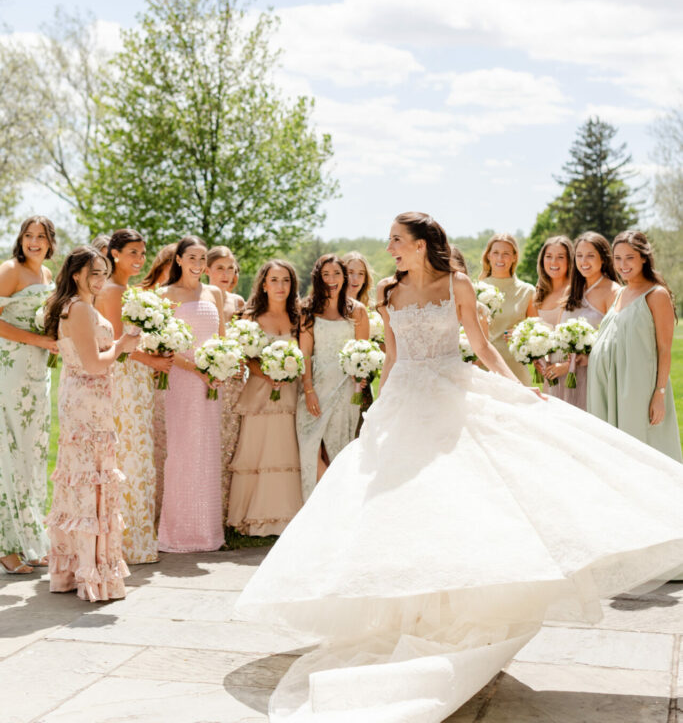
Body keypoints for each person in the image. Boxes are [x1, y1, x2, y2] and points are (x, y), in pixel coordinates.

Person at [235, 212, 683, 723]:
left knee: (456, 500)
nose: (391, 248)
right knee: (398, 508)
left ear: (423, 245)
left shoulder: (460, 284)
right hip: (403, 402)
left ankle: (457, 605)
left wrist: (515, 388)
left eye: (397, 241)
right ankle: (412, 605)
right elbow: (393, 356)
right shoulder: (387, 290)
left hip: (451, 392)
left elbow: (482, 342)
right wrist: (378, 404)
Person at [45, 246, 138, 601]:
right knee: (88, 479)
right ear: (76, 275)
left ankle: (74, 570)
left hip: (88, 398)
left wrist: (115, 346)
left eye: (103, 273)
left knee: (84, 476)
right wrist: (124, 345)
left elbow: (91, 356)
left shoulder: (79, 307)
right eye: (93, 273)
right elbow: (95, 363)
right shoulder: (80, 308)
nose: (100, 279)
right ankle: (90, 573)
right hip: (86, 401)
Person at [96, 229, 173, 564]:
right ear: (113, 253)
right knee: (128, 455)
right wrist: (153, 359)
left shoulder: (128, 289)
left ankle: (138, 538)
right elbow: (116, 345)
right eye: (132, 253)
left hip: (138, 381)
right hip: (123, 382)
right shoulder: (112, 291)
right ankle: (125, 543)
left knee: (140, 455)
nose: (140, 260)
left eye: (143, 253)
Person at [157, 237, 226, 552]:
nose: (198, 264)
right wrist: (199, 370)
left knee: (207, 453)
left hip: (213, 384)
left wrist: (222, 367)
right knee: (182, 453)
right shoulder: (165, 295)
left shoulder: (214, 293)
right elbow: (163, 347)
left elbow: (223, 339)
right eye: (192, 258)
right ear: (180, 260)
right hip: (182, 382)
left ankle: (208, 533)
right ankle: (178, 534)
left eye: (202, 258)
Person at [588, 230, 682, 461]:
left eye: (629, 257)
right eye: (617, 258)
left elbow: (664, 349)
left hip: (638, 385)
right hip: (610, 383)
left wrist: (659, 394)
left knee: (640, 445)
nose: (623, 264)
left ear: (643, 257)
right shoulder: (621, 293)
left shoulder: (656, 294)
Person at [227, 260, 303, 535]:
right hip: (260, 391)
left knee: (287, 451)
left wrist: (288, 372)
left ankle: (288, 515)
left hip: (292, 392)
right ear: (263, 283)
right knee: (259, 452)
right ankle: (255, 518)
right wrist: (268, 372)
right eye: (274, 280)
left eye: (285, 280)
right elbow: (244, 357)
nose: (280, 286)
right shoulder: (250, 318)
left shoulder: (300, 317)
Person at [0, 216, 58, 574]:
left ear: (51, 242)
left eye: (41, 236)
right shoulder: (10, 270)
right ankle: (6, 546)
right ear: (20, 240)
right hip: (11, 367)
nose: (34, 242)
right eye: (28, 236)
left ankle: (30, 540)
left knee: (34, 453)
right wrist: (40, 340)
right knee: (10, 450)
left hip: (39, 371)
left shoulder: (48, 276)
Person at [297, 255, 369, 501]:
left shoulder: (357, 311)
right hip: (315, 384)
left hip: (344, 387)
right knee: (308, 445)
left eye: (336, 274)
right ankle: (328, 499)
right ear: (318, 278)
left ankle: (337, 503)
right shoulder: (308, 310)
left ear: (344, 276)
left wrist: (360, 378)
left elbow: (363, 352)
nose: (331, 280)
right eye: (325, 274)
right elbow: (305, 353)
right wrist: (308, 388)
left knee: (339, 449)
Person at [557, 232, 621, 410]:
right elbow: (557, 330)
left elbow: (617, 340)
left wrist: (585, 358)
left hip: (593, 374)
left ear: (603, 259)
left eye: (590, 256)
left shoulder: (613, 291)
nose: (583, 261)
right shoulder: (571, 290)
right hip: (563, 374)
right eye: (579, 256)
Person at [206, 246, 246, 519]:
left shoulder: (238, 302)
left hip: (234, 380)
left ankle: (227, 510)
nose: (225, 273)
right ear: (207, 270)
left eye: (230, 268)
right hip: (207, 376)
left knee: (231, 441)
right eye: (219, 267)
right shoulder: (200, 298)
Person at [140, 243, 176, 523]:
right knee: (153, 445)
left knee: (170, 445)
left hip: (174, 376)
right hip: (146, 377)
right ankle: (150, 510)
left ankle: (169, 509)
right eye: (172, 265)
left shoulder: (180, 296)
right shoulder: (143, 297)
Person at [479, 233, 535, 382]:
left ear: (514, 257)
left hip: (515, 368)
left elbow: (535, 332)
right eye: (496, 253)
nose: (500, 258)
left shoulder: (527, 291)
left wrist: (521, 334)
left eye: (506, 254)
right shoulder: (476, 289)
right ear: (488, 256)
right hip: (484, 368)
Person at [532, 236, 573, 396]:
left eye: (560, 257)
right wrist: (538, 360)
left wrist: (568, 365)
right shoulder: (540, 293)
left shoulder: (577, 291)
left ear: (569, 260)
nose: (553, 262)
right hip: (551, 372)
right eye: (548, 257)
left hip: (575, 369)